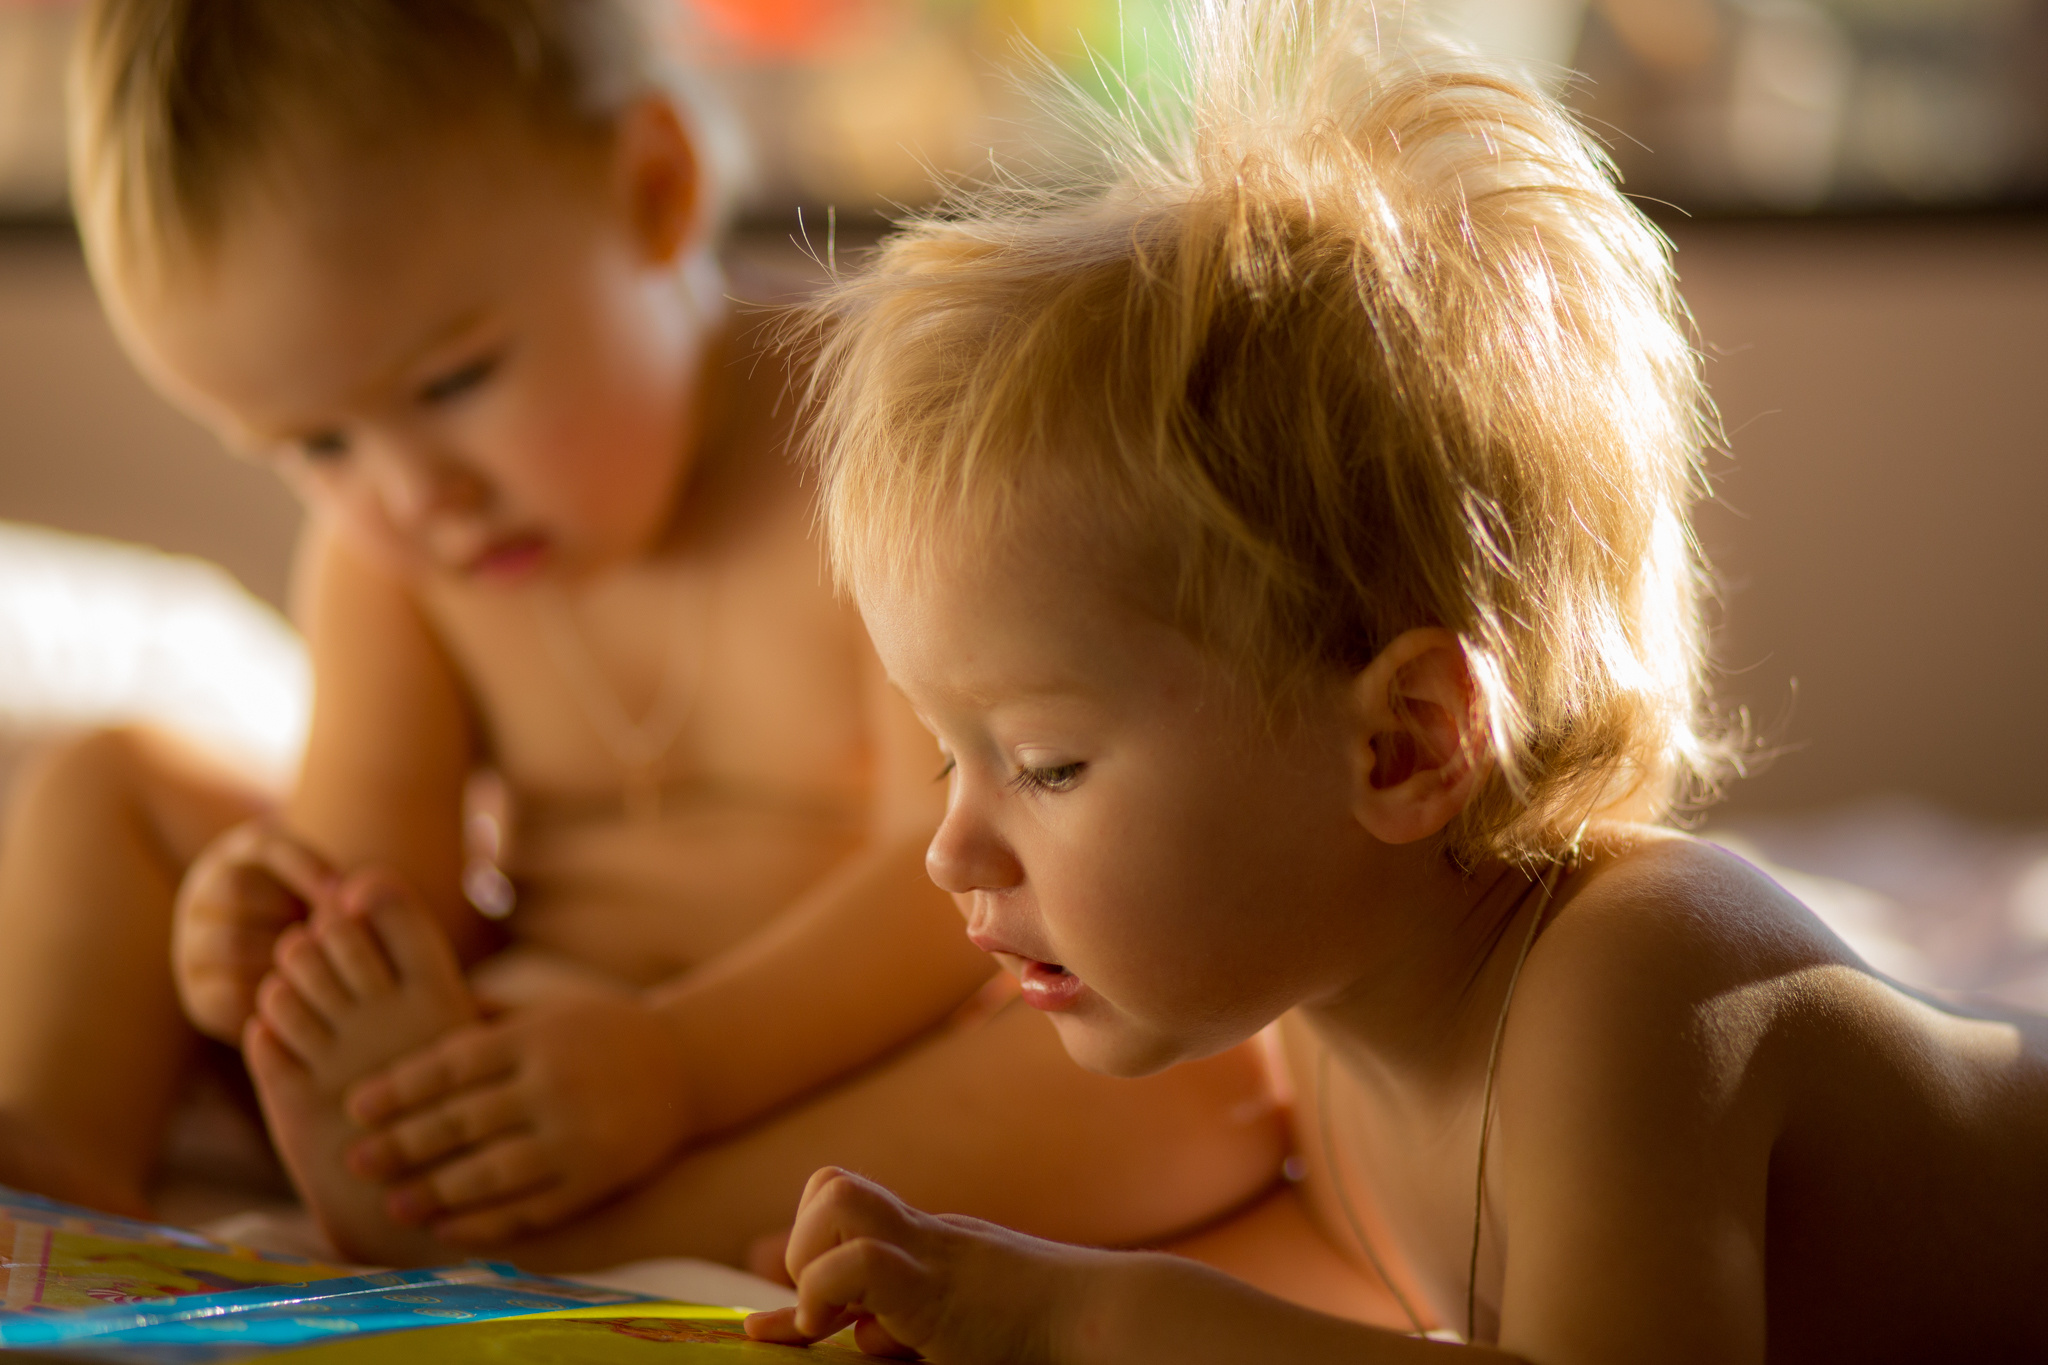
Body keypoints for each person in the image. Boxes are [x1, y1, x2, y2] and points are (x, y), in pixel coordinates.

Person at [736, 1, 2048, 1358]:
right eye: (953, 754)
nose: (951, 851)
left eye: (1048, 763)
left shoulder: (1638, 987)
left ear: (1406, 746)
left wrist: (1092, 1318)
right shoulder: (1325, 1012)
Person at [0, 0, 1286, 1270]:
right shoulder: (391, 561)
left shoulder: (874, 459)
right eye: (317, 446)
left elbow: (950, 867)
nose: (409, 493)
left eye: (453, 382)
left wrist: (674, 1067)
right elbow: (390, 898)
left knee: (1199, 1080)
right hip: (545, 1047)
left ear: (654, 192)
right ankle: (51, 1180)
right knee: (110, 786)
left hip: (850, 1041)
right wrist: (278, 956)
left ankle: (615, 1231)